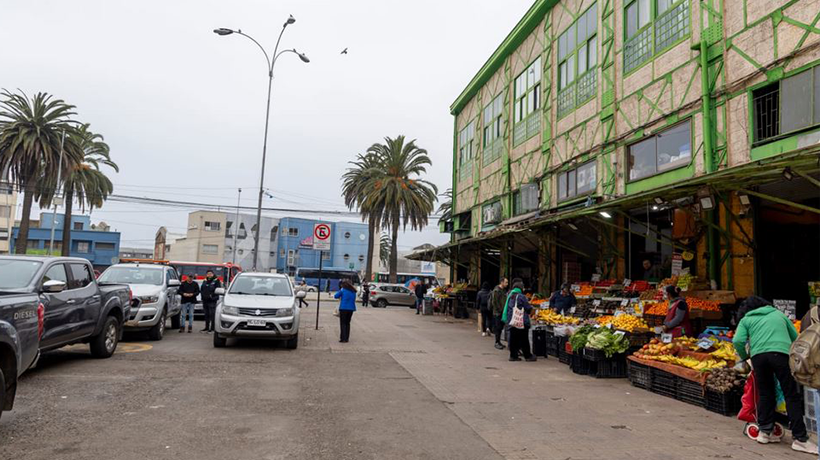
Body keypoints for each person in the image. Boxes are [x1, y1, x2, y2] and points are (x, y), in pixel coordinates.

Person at [733, 296, 817, 454]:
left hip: (758, 358)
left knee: (765, 393)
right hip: (781, 355)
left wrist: (745, 356)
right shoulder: (779, 315)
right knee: (791, 395)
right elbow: (796, 337)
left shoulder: (746, 319)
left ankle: (764, 432)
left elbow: (738, 340)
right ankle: (800, 439)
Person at [504, 279, 536, 362]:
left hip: (512, 320)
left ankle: (513, 356)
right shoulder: (521, 296)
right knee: (524, 339)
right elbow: (528, 308)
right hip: (521, 321)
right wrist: (532, 310)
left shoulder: (510, 295)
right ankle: (528, 356)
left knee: (513, 338)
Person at [489, 278, 509, 350]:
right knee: (498, 328)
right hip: (498, 313)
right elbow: (495, 302)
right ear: (502, 282)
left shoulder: (503, 290)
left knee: (500, 328)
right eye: (506, 282)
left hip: (502, 312)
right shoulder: (496, 291)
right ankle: (497, 342)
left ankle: (499, 342)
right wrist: (500, 310)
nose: (507, 284)